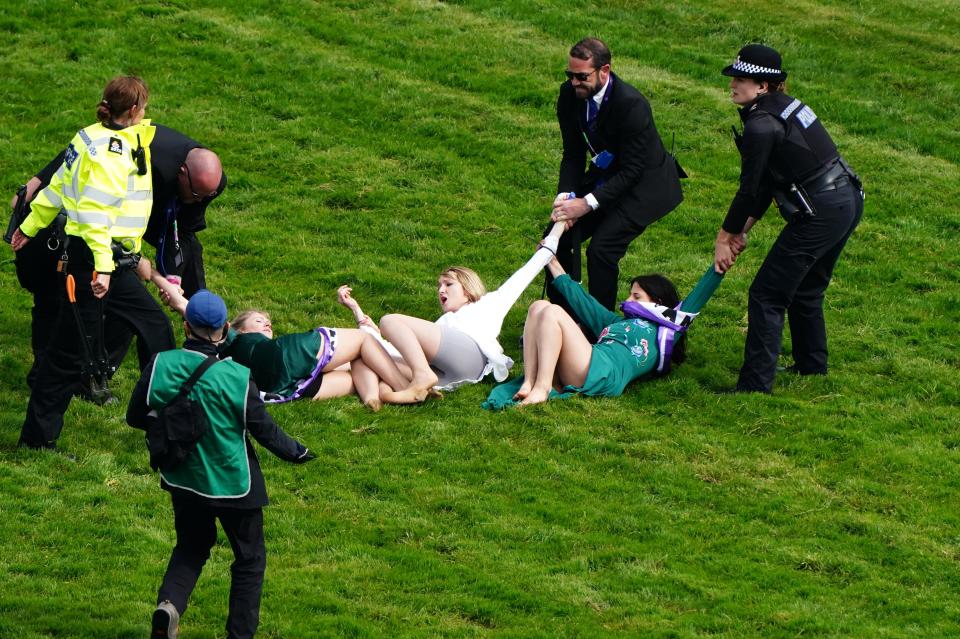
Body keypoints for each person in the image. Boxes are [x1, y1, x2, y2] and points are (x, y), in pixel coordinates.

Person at [126, 290, 314, 639]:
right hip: (233, 483)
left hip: (183, 477)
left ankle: (169, 605)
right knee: (250, 560)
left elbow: (135, 417)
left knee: (191, 546)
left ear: (185, 325)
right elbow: (265, 431)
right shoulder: (238, 377)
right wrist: (299, 452)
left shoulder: (160, 364)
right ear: (226, 329)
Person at [11, 76, 175, 451]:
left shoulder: (90, 136)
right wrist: (102, 267)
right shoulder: (108, 155)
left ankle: (158, 415)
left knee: (155, 328)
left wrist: (30, 225)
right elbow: (94, 215)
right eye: (144, 107)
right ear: (133, 110)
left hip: (110, 262)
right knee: (68, 356)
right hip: (94, 262)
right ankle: (37, 441)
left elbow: (57, 187)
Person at [10, 120, 225, 386]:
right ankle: (69, 374)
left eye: (207, 195)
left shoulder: (206, 183)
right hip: (98, 243)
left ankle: (205, 338)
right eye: (196, 193)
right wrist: (36, 183)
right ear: (181, 173)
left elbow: (181, 232)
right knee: (61, 304)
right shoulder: (125, 158)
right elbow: (76, 161)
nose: (200, 200)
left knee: (150, 306)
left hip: (119, 238)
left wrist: (173, 278)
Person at [712, 44, 864, 393]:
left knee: (767, 294)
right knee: (807, 288)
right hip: (847, 199)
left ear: (762, 86)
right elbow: (769, 182)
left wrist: (726, 236)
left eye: (741, 79)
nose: (733, 84)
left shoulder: (761, 126)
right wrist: (740, 232)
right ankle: (812, 367)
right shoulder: (782, 107)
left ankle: (754, 387)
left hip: (821, 211)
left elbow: (750, 189)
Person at [549, 37, 684, 320]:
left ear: (604, 71)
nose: (574, 82)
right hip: (609, 174)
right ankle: (559, 319)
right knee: (556, 238)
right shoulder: (569, 95)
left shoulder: (631, 105)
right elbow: (573, 153)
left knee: (602, 249)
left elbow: (633, 171)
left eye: (581, 76)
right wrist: (566, 198)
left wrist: (586, 204)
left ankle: (600, 326)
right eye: (570, 75)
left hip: (646, 185)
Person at [483, 257, 723, 409]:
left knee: (552, 312)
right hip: (586, 363)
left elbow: (699, 295)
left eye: (636, 296)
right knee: (539, 306)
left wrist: (720, 266)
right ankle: (531, 382)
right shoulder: (614, 322)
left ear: (658, 301)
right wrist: (551, 260)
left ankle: (542, 388)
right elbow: (582, 301)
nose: (628, 300)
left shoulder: (668, 330)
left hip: (604, 374)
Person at [153, 275, 411, 410]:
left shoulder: (221, 350)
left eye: (268, 323)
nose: (266, 324)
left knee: (357, 368)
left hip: (282, 385)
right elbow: (184, 305)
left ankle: (374, 399)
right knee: (363, 340)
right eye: (258, 321)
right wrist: (152, 273)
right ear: (236, 328)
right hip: (285, 358)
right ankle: (407, 388)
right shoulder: (230, 338)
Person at [377, 223, 566, 404]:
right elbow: (407, 349)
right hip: (447, 372)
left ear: (467, 290)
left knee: (389, 320)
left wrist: (559, 224)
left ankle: (421, 377)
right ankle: (395, 393)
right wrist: (369, 329)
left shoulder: (489, 303)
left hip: (471, 355)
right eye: (439, 286)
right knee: (378, 361)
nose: (441, 290)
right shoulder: (442, 322)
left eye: (448, 284)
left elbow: (532, 267)